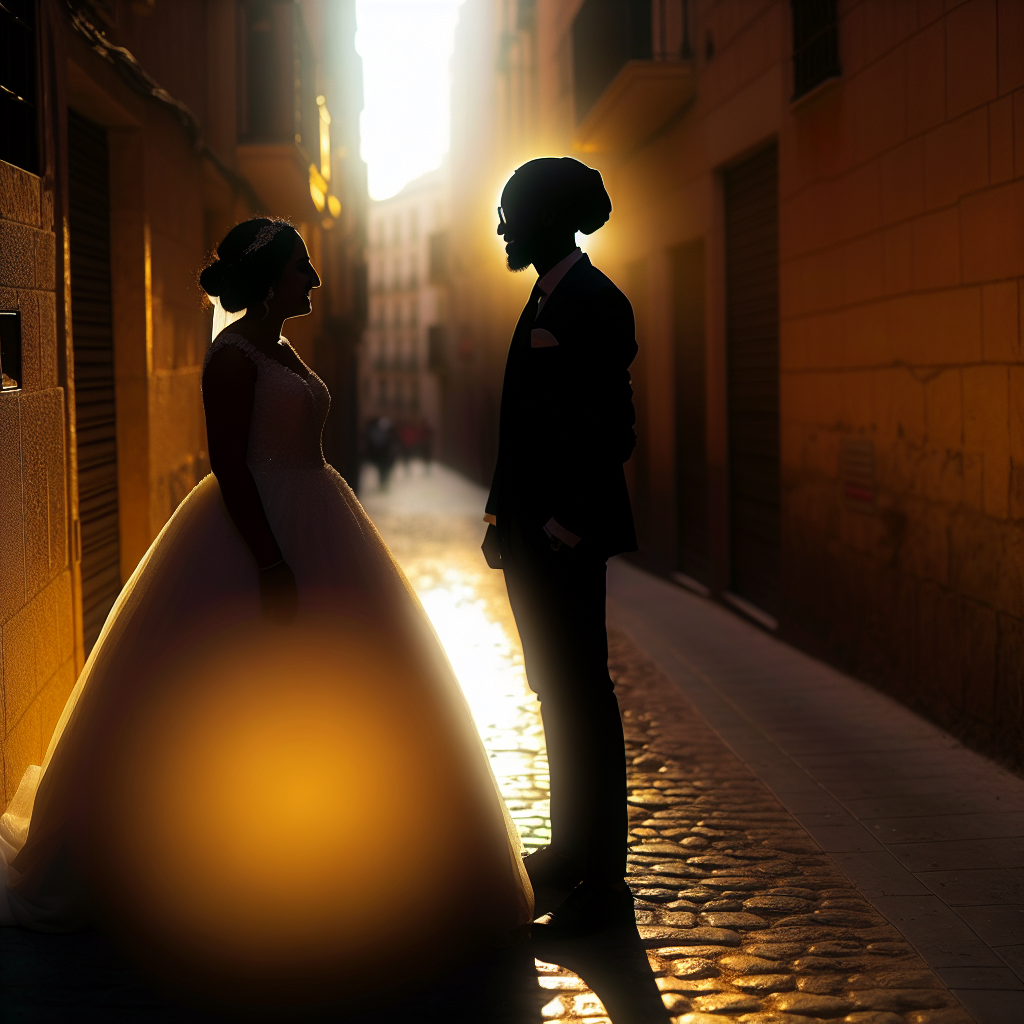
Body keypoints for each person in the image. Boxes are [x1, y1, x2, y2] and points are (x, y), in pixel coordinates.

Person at [0, 218, 531, 997]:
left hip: (320, 518)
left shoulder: (279, 349)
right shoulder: (232, 357)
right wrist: (272, 560)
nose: (314, 280)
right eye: (302, 267)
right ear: (272, 277)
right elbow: (229, 465)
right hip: (254, 534)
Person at [483, 158, 639, 939]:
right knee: (556, 695)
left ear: (548, 218)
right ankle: (571, 849)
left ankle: (603, 883)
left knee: (584, 698)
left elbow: (610, 431)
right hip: (529, 539)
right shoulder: (542, 298)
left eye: (511, 213)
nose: (503, 228)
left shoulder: (595, 303)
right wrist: (498, 516)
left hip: (565, 542)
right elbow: (525, 427)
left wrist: (563, 527)